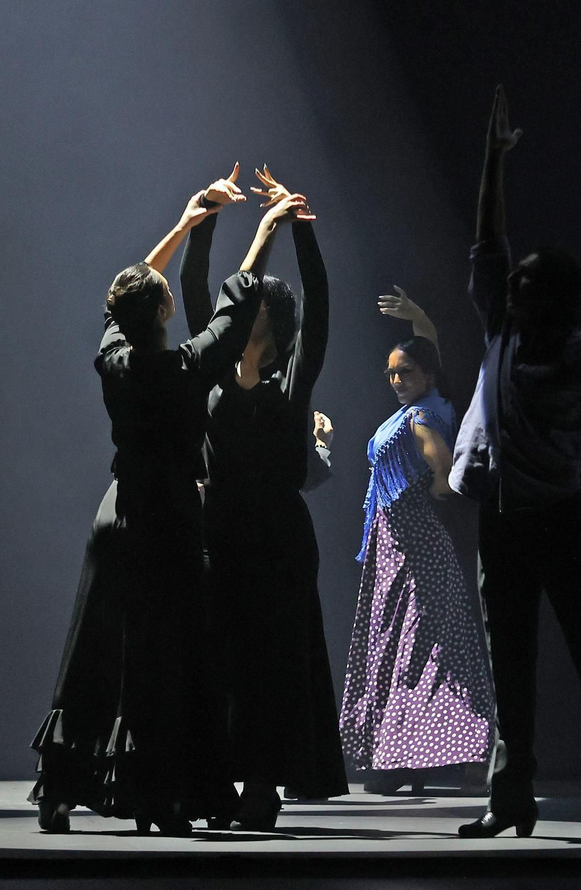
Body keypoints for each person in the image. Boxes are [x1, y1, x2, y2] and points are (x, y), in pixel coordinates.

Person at [30, 174, 304, 836]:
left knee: (99, 647)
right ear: (162, 312)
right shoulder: (183, 368)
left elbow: (119, 300)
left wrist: (184, 226)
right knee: (167, 653)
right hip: (169, 518)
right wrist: (265, 231)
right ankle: (164, 795)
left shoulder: (116, 358)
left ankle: (62, 791)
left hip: (117, 511)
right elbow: (235, 310)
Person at [449, 87, 581, 841]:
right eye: (516, 281)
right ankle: (511, 802)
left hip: (557, 523)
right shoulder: (501, 332)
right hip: (502, 521)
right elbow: (488, 243)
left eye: (530, 281)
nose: (514, 285)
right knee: (509, 664)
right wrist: (492, 162)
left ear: (557, 298)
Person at [187, 166, 348, 830]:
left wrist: (298, 228)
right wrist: (207, 221)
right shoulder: (214, 370)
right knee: (218, 653)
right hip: (221, 524)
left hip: (278, 533)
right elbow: (197, 290)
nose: (240, 308)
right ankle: (216, 781)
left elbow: (320, 301)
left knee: (272, 659)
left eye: (252, 304)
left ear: (272, 320)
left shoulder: (292, 379)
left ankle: (261, 781)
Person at [338, 285, 497, 796]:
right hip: (394, 550)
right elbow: (427, 351)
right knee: (402, 648)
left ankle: (457, 756)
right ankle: (404, 759)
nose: (396, 380)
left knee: (424, 650)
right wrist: (419, 318)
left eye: (405, 373)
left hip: (414, 547)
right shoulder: (432, 401)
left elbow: (439, 460)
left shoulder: (423, 414)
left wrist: (438, 484)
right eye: (391, 373)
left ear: (426, 376)